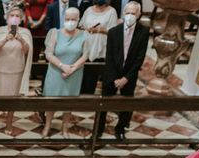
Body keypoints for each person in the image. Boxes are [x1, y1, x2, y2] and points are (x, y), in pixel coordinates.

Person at [96, 1, 147, 140]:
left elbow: (139, 59)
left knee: (126, 103)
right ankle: (99, 128)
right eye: (128, 12)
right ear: (124, 13)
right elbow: (110, 57)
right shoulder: (113, 32)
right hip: (111, 74)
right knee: (104, 102)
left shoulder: (143, 32)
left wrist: (126, 78)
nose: (130, 15)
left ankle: (120, 128)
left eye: (133, 13)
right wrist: (114, 78)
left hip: (129, 75)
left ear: (139, 14)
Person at [41, 7, 89, 137]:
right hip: (56, 72)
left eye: (73, 19)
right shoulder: (55, 33)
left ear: (78, 20)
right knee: (51, 101)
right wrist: (63, 66)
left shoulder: (84, 35)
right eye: (68, 19)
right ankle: (47, 125)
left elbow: (85, 55)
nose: (70, 22)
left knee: (69, 102)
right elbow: (49, 54)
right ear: (64, 19)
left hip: (74, 74)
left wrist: (72, 69)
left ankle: (65, 128)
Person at [0, 6, 32, 134]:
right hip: (0, 71)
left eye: (17, 16)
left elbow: (27, 51)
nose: (14, 18)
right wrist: (6, 38)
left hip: (17, 71)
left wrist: (20, 39)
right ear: (7, 18)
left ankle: (9, 122)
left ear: (21, 19)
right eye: (12, 15)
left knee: (12, 99)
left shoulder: (26, 32)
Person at [79, 0, 116, 94]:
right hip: (87, 46)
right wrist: (87, 28)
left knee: (98, 73)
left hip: (102, 48)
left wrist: (100, 30)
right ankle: (85, 97)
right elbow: (81, 25)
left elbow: (113, 31)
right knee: (86, 77)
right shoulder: (88, 10)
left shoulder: (111, 11)